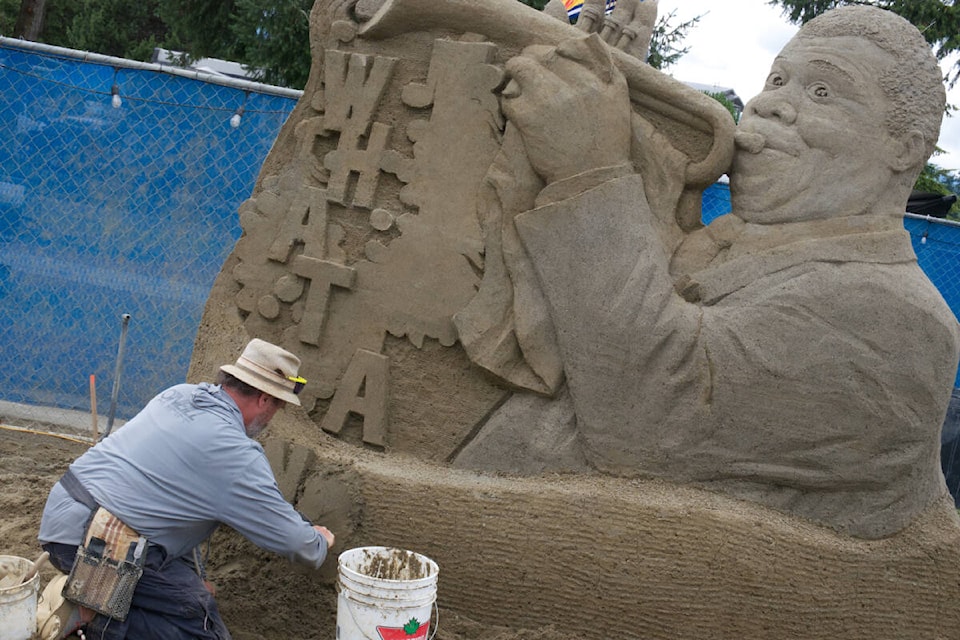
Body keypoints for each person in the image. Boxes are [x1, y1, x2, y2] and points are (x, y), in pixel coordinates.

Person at [459, 6, 960, 539]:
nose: (770, 105)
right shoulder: (741, 247)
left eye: (822, 93)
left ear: (903, 148)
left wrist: (590, 171)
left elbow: (643, 410)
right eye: (777, 80)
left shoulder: (894, 319)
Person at [37, 338, 335, 639]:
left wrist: (193, 579)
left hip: (61, 516)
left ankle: (91, 599)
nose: (273, 417)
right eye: (278, 405)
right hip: (95, 542)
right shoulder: (235, 453)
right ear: (263, 399)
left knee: (183, 591)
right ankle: (90, 616)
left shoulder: (178, 394)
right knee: (198, 622)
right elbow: (297, 543)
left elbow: (168, 500)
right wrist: (318, 540)